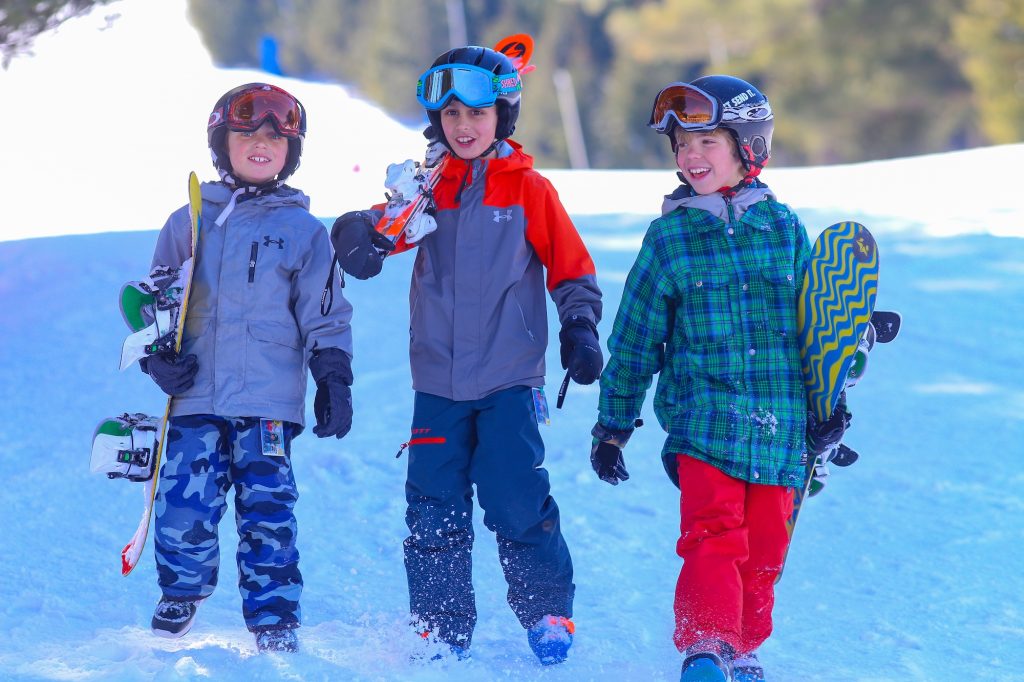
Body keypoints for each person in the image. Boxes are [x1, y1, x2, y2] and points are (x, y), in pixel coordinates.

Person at [330, 46, 603, 665]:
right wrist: (356, 232)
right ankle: (439, 626)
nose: (464, 126)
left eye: (478, 113)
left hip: (509, 377)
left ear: (503, 115)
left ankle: (547, 614)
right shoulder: (429, 187)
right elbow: (384, 229)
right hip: (438, 381)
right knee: (433, 506)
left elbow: (570, 268)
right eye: (451, 114)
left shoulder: (529, 190)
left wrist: (579, 328)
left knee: (515, 499)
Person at [591, 75, 846, 682]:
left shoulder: (784, 230)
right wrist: (614, 425)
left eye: (706, 141)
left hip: (782, 423)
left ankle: (744, 650)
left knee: (764, 555)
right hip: (704, 421)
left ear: (748, 146)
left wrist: (827, 405)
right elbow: (635, 337)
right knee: (713, 536)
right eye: (681, 145)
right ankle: (705, 649)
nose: (690, 156)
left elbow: (819, 329)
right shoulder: (670, 237)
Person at [142, 83, 354, 654]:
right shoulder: (186, 222)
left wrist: (333, 376)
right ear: (221, 142)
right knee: (184, 504)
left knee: (269, 513)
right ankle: (182, 589)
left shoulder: (304, 231)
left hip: (266, 402)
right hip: (194, 399)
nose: (260, 144)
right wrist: (156, 357)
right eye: (246, 133)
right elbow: (155, 302)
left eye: (274, 137)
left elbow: (326, 312)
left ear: (292, 151)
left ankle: (275, 615)